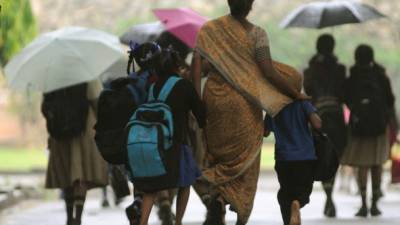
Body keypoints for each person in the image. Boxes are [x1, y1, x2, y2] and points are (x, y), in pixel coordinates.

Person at [191, 0, 309, 224]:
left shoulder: (209, 29)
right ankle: (235, 205)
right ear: (251, 5)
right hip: (244, 103)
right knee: (245, 161)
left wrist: (197, 101)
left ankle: (217, 199)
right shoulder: (257, 34)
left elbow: (197, 63)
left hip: (214, 102)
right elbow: (268, 72)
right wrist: (295, 93)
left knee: (218, 158)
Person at [134, 47, 206, 225]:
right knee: (185, 182)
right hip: (177, 145)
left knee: (151, 188)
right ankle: (179, 221)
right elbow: (202, 118)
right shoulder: (184, 85)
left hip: (154, 146)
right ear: (176, 66)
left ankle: (143, 222)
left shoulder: (153, 88)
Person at [43, 80, 108, 225]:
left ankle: (68, 216)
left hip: (59, 134)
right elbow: (97, 103)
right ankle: (78, 217)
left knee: (66, 175)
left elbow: (46, 107)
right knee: (80, 176)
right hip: (83, 131)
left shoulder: (52, 78)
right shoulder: (86, 76)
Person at [341, 44, 395, 217]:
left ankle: (363, 203)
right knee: (376, 164)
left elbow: (346, 100)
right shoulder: (380, 76)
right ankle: (375, 205)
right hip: (379, 127)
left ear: (356, 58)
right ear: (372, 57)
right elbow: (390, 101)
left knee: (362, 165)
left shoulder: (352, 78)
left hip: (358, 128)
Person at [264, 72, 321, 225]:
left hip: (284, 157)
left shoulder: (274, 105)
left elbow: (265, 132)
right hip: (305, 156)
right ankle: (298, 203)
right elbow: (317, 124)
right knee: (303, 190)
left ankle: (288, 219)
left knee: (286, 192)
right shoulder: (303, 103)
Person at [303, 34, 347, 217]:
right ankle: (330, 194)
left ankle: (328, 196)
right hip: (336, 115)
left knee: (323, 153)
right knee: (335, 153)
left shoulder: (310, 70)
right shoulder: (340, 69)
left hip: (318, 116)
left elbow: (308, 92)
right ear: (333, 47)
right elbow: (344, 93)